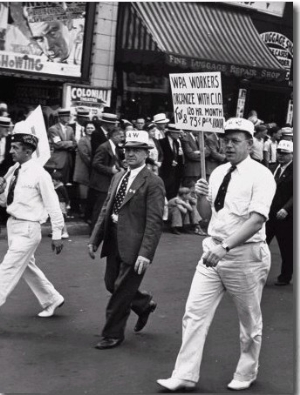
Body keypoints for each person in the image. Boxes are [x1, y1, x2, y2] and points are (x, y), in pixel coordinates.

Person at [157, 118, 276, 392]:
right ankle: (184, 374)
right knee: (193, 313)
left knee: (249, 320)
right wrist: (200, 196)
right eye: (226, 140)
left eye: (236, 141)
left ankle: (246, 372)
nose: (229, 145)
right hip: (212, 252)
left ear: (249, 143)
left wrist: (226, 247)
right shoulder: (219, 171)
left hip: (244, 256)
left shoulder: (261, 175)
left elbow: (257, 221)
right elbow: (209, 214)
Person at [88, 130, 165, 350]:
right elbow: (106, 209)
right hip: (113, 238)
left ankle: (112, 334)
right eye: (127, 149)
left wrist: (145, 253)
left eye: (135, 150)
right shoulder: (118, 176)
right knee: (111, 283)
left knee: (121, 290)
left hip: (135, 244)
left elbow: (154, 222)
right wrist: (95, 239)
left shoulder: (153, 182)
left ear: (145, 153)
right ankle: (142, 304)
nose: (129, 154)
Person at [0, 128, 65, 318]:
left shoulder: (40, 174)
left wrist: (57, 233)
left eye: (15, 148)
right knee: (27, 267)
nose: (11, 151)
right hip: (13, 225)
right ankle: (52, 299)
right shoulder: (13, 170)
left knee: (8, 268)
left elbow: (53, 205)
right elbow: (6, 201)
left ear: (28, 151)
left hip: (28, 228)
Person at [266, 140, 293, 286]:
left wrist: (286, 209)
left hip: (286, 216)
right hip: (270, 213)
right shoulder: (272, 167)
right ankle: (256, 272)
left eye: (285, 153)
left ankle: (285, 276)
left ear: (292, 155)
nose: (281, 156)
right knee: (261, 243)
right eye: (279, 152)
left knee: (287, 248)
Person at [88, 126, 124, 231]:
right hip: (101, 183)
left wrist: (121, 164)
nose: (122, 138)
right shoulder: (103, 147)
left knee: (104, 207)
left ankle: (100, 229)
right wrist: (110, 170)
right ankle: (94, 231)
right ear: (114, 136)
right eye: (121, 136)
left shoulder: (115, 147)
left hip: (108, 182)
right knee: (99, 208)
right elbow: (95, 163)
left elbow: (115, 161)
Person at [47, 108, 77, 185]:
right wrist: (70, 143)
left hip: (68, 160)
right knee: (56, 183)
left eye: (69, 116)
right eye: (66, 116)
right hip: (58, 161)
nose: (68, 118)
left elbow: (75, 143)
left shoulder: (70, 129)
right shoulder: (53, 129)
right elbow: (57, 144)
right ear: (60, 118)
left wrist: (69, 143)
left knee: (65, 183)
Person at [73, 122, 95, 217]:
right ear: (85, 129)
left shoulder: (94, 139)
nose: (90, 130)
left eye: (92, 128)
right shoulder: (83, 140)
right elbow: (85, 155)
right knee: (83, 193)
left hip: (91, 170)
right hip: (83, 169)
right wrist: (95, 165)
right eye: (88, 128)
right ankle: (83, 213)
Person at [159, 124, 184, 200]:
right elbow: (161, 156)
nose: (178, 135)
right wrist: (169, 162)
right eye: (177, 133)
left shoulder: (176, 142)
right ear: (171, 133)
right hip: (165, 171)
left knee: (173, 192)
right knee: (165, 191)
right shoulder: (162, 142)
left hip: (175, 172)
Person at [52, 171, 70, 239]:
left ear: (58, 181)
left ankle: (65, 232)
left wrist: (67, 204)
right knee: (56, 218)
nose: (52, 182)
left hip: (61, 204)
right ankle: (57, 231)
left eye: (53, 181)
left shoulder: (61, 187)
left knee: (61, 218)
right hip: (56, 203)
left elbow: (66, 197)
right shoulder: (56, 187)